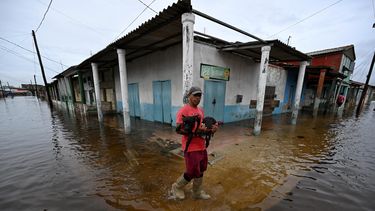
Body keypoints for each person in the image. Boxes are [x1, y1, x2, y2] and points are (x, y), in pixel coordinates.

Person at [170, 86, 218, 200]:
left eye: (200, 95)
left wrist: (211, 129)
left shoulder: (200, 110)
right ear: (189, 96)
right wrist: (194, 131)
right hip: (190, 146)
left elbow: (202, 127)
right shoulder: (183, 111)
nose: (198, 98)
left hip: (201, 145)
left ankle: (197, 192)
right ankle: (176, 187)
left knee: (201, 168)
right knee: (191, 171)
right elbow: (178, 129)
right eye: (195, 95)